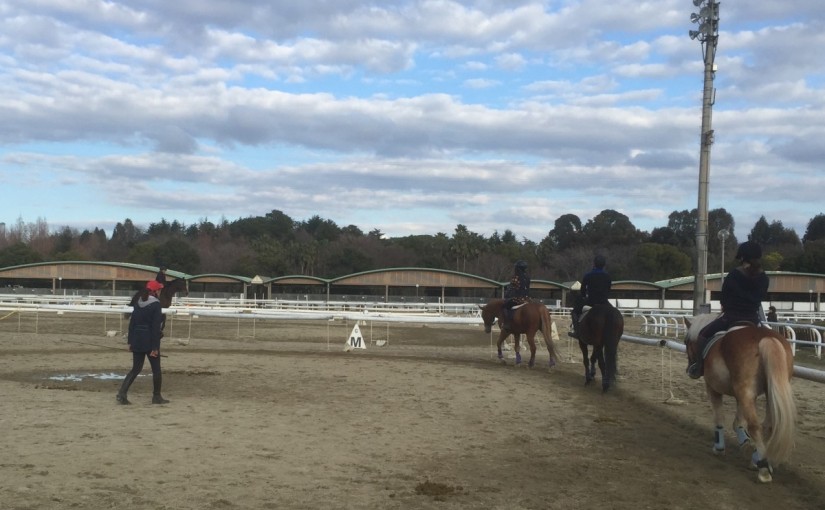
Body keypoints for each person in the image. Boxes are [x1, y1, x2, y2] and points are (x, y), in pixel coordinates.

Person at [687, 240, 769, 379]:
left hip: (731, 317)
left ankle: (699, 368)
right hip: (753, 319)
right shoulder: (764, 278)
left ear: (742, 258)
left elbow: (724, 298)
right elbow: (759, 298)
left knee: (702, 335)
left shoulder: (734, 275)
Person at [117, 280, 169, 405]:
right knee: (156, 370)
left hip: (137, 340)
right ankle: (156, 396)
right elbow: (156, 327)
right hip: (150, 341)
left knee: (135, 369)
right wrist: (155, 347)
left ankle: (122, 393)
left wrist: (130, 341)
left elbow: (132, 323)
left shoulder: (138, 303)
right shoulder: (156, 305)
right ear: (155, 291)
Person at [569, 254, 612, 338]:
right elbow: (608, 289)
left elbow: (582, 290)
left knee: (574, 312)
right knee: (614, 312)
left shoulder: (588, 275)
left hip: (591, 301)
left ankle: (577, 331)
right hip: (604, 301)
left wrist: (584, 297)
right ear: (604, 265)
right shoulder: (608, 276)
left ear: (594, 264)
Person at [501, 260, 531, 330]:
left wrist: (506, 295)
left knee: (504, 307)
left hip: (518, 299)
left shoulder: (516, 277)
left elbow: (511, 288)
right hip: (527, 299)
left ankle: (507, 323)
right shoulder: (528, 278)